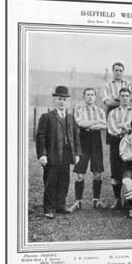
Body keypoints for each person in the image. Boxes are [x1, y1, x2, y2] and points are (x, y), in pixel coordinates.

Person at [35, 85, 82, 218]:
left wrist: (77, 153)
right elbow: (40, 137)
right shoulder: (46, 117)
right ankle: (49, 208)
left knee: (64, 181)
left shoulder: (70, 117)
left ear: (68, 102)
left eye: (64, 99)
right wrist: (42, 154)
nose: (62, 102)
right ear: (55, 100)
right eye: (59, 99)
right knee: (50, 181)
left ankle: (60, 205)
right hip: (52, 154)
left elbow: (76, 136)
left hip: (67, 155)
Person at [72, 88, 107, 210]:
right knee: (80, 174)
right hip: (83, 140)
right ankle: (78, 201)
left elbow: (104, 125)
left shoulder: (100, 110)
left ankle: (96, 201)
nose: (90, 97)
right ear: (84, 96)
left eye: (92, 95)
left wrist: (89, 123)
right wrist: (96, 122)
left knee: (97, 173)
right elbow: (80, 124)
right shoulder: (79, 110)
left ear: (95, 97)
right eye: (88, 95)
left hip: (96, 141)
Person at [107, 88, 132, 209]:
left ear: (131, 97)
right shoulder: (113, 113)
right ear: (119, 97)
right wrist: (126, 128)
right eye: (122, 95)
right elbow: (111, 129)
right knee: (116, 171)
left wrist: (121, 125)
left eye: (127, 95)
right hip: (116, 142)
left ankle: (129, 198)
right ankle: (117, 199)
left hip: (131, 143)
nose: (125, 98)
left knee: (129, 169)